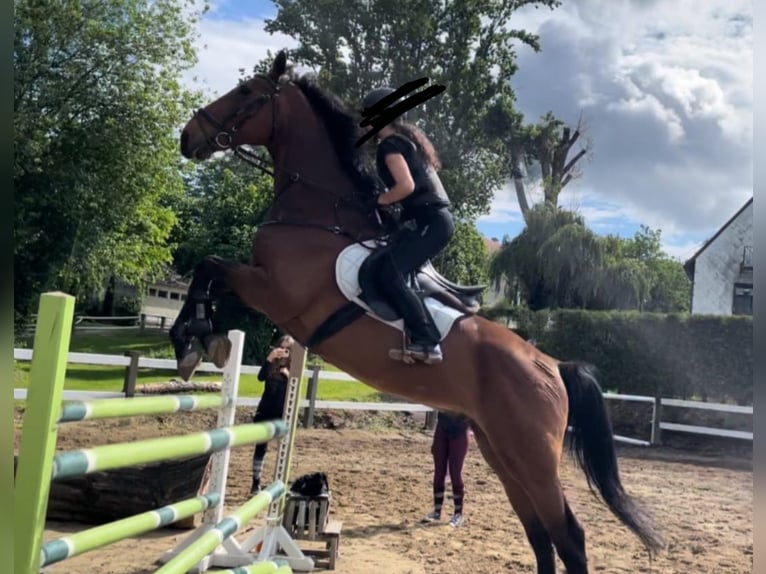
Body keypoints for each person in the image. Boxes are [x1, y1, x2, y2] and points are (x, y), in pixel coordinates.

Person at [361, 87, 456, 365]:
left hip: (431, 222)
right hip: (429, 220)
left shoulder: (390, 145)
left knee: (391, 273)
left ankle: (428, 342)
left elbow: (406, 186)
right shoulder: (404, 141)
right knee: (386, 265)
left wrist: (378, 201)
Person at [250, 334, 294, 494]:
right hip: (266, 408)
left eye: (288, 349)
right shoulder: (271, 363)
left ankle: (280, 482)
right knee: (261, 446)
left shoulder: (294, 365)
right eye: (281, 348)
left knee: (284, 447)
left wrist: (287, 374)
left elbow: (296, 389)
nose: (284, 352)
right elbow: (260, 377)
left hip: (283, 411)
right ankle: (255, 483)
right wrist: (269, 359)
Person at [423, 410, 471, 528]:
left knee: (455, 473)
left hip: (460, 426)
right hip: (443, 425)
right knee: (439, 472)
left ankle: (458, 514)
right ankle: (437, 511)